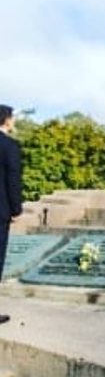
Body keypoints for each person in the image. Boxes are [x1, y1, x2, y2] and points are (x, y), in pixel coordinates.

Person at [0, 105, 22, 323]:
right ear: (6, 120)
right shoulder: (10, 145)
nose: (14, 121)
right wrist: (16, 209)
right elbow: (12, 179)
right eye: (12, 118)